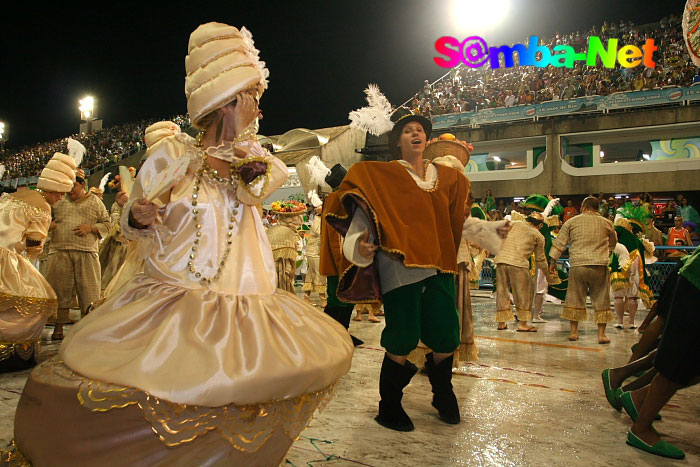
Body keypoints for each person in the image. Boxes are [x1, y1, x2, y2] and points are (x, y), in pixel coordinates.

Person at [11, 22, 353, 466]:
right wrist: (139, 215)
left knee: (239, 389)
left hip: (246, 305)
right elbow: (135, 222)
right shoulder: (172, 157)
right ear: (228, 102)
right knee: (166, 388)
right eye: (253, 97)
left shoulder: (260, 160)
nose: (260, 109)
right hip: (172, 300)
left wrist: (241, 155)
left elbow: (252, 192)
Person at [327, 104, 509, 432]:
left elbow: (456, 221)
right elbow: (361, 205)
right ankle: (390, 404)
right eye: (408, 130)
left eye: (420, 130)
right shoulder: (383, 175)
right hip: (399, 264)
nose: (415, 133)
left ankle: (443, 393)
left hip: (440, 264)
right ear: (398, 140)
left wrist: (489, 232)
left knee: (446, 335)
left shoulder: (447, 178)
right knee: (403, 335)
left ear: (427, 140)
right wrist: (360, 242)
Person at [0, 153, 75, 372]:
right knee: (37, 300)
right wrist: (38, 243)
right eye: (60, 194)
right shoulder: (43, 207)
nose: (60, 199)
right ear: (53, 190)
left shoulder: (18, 193)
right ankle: (12, 353)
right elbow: (34, 242)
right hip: (7, 256)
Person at [43, 169, 111, 340]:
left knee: (89, 293)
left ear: (82, 184)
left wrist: (92, 228)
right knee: (59, 292)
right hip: (60, 251)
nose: (70, 191)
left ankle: (87, 332)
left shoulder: (95, 202)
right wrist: (48, 224)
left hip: (86, 252)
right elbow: (43, 218)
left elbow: (107, 224)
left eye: (73, 186)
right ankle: (58, 329)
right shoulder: (58, 201)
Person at [549, 196, 617, 343]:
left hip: (578, 265)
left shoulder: (572, 222)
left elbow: (560, 243)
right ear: (597, 208)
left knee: (575, 298)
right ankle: (601, 335)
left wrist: (553, 261)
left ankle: (574, 332)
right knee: (601, 299)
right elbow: (613, 241)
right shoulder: (607, 223)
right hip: (599, 265)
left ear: (584, 207)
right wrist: (608, 252)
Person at [494, 211, 555, 332]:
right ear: (540, 226)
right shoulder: (538, 235)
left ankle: (501, 323)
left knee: (502, 292)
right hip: (518, 263)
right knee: (524, 294)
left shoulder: (515, 223)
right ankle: (523, 324)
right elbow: (541, 260)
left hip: (501, 260)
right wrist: (548, 276)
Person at [302, 190, 327, 305]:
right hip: (315, 251)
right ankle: (323, 299)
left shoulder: (322, 219)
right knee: (319, 274)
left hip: (315, 251)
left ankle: (307, 296)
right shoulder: (318, 219)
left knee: (311, 274)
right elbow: (319, 232)